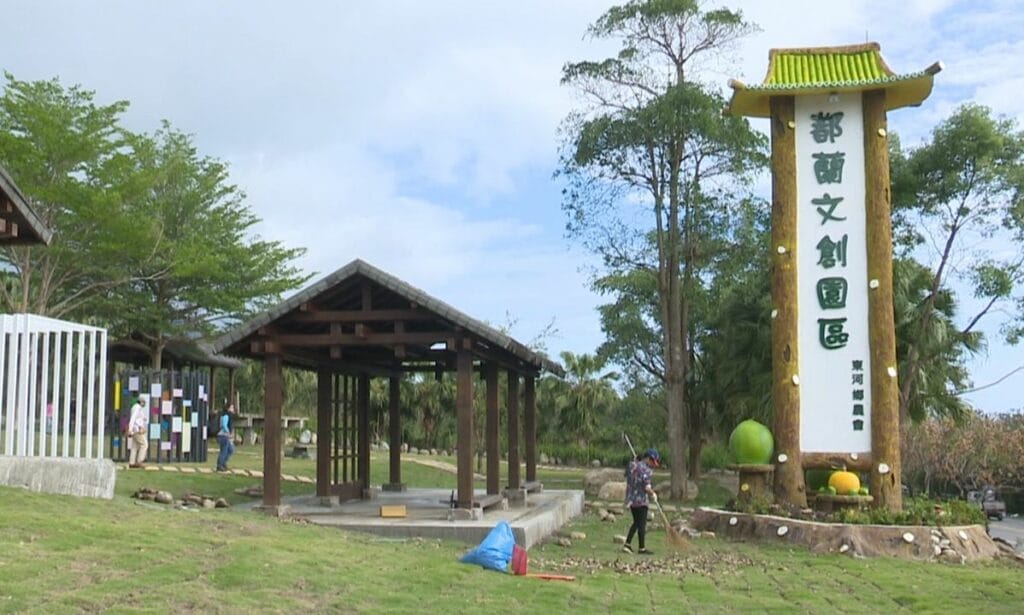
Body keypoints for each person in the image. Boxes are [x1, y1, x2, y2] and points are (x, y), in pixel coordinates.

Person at [622, 447, 660, 555]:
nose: (653, 464)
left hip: (631, 499)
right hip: (641, 501)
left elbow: (626, 474)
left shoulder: (632, 465)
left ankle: (631, 545)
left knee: (637, 523)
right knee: (641, 524)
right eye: (652, 461)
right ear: (648, 458)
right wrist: (653, 494)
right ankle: (637, 547)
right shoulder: (646, 470)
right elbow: (646, 487)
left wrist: (635, 462)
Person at [127, 396, 150, 468]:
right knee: (144, 444)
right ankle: (140, 461)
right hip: (137, 430)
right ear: (141, 402)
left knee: (135, 446)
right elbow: (133, 419)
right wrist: (130, 429)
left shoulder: (135, 407)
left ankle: (132, 462)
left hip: (135, 429)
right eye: (144, 402)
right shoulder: (137, 408)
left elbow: (138, 418)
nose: (144, 404)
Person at [216, 403, 236, 472]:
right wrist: (228, 432)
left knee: (231, 449)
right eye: (231, 408)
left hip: (226, 436)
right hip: (223, 435)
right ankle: (219, 465)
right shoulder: (226, 415)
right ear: (228, 409)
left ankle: (224, 463)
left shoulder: (229, 416)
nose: (233, 409)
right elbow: (224, 425)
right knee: (224, 451)